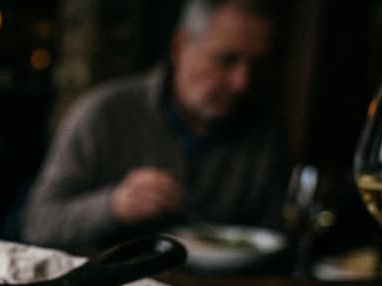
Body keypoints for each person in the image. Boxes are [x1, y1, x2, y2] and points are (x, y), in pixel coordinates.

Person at [21, 0, 286, 253]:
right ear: (180, 47)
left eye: (257, 64)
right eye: (226, 60)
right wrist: (114, 205)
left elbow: (276, 240)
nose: (242, 83)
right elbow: (37, 224)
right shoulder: (103, 114)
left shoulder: (265, 136)